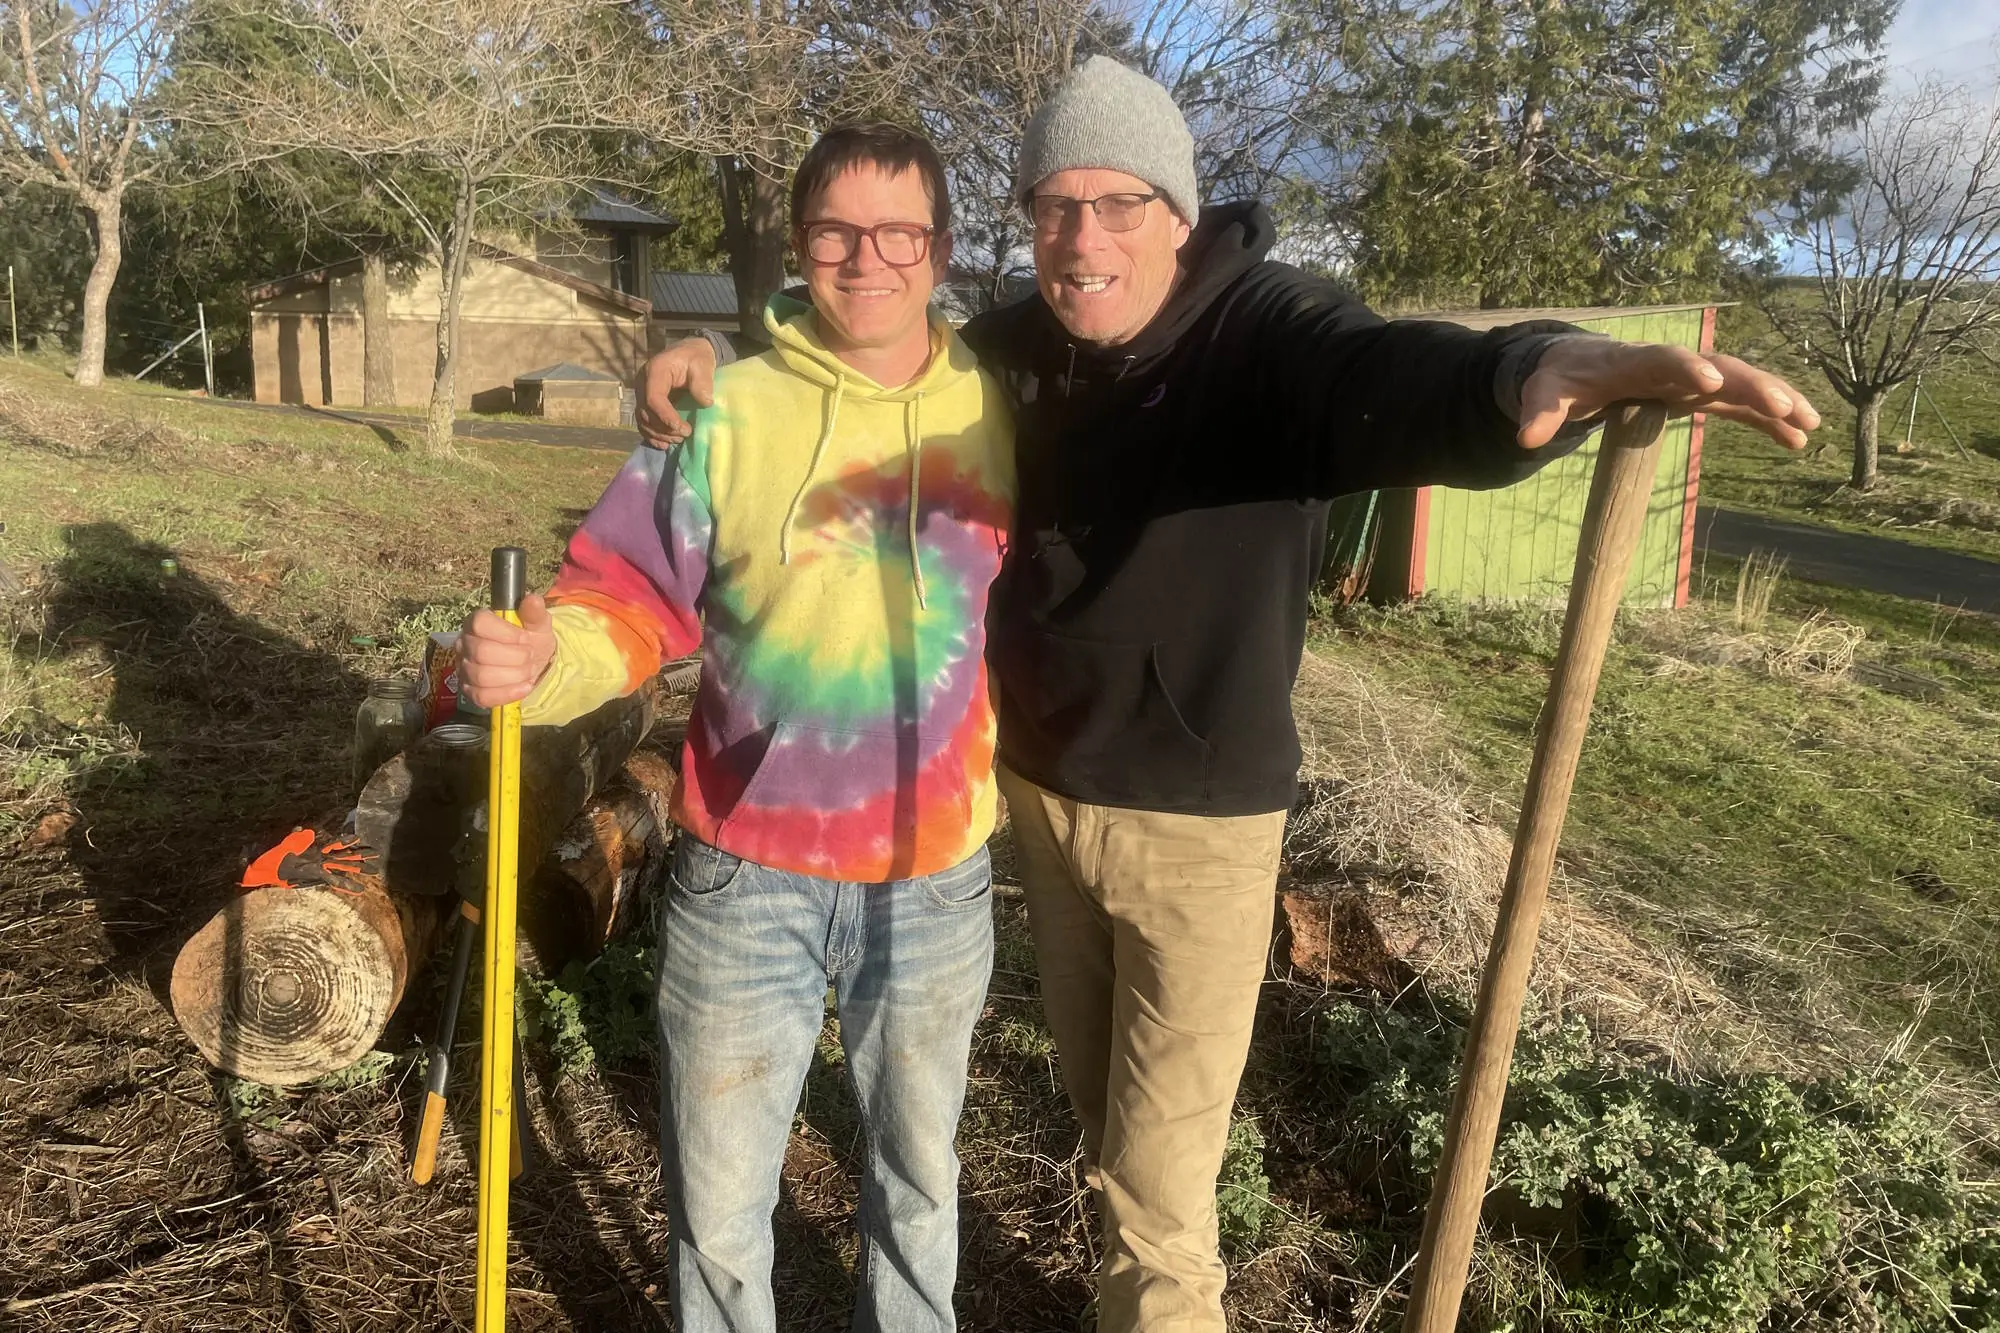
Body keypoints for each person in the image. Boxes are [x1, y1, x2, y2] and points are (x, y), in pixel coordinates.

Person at [635, 58, 1820, 1333]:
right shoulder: (1008, 356)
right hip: (1032, 802)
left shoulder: (1266, 335)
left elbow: (1383, 373)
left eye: (1119, 203)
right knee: (1100, 1137)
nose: (1082, 239)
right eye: (1052, 206)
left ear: (1179, 214)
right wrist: (714, 347)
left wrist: (1531, 370)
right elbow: (864, 335)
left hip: (1196, 832)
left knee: (1157, 1203)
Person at [460, 123, 1013, 1333]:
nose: (865, 261)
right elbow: (623, 599)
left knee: (918, 1188)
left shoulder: (1003, 409)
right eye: (834, 232)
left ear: (942, 251)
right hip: (743, 871)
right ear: (797, 245)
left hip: (933, 874)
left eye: (898, 234)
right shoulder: (726, 410)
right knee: (717, 1211)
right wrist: (548, 654)